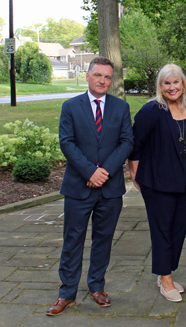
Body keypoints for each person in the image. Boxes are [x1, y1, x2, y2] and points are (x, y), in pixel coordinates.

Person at [47, 57, 133, 316]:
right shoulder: (71, 106)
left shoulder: (121, 107)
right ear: (87, 76)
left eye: (107, 77)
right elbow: (67, 142)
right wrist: (89, 172)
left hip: (110, 189)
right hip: (78, 188)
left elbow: (127, 142)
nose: (102, 81)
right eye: (97, 75)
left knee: (103, 240)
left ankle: (97, 285)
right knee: (72, 240)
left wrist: (103, 172)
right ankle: (66, 293)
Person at [128, 64, 186, 303]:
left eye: (176, 82)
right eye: (166, 83)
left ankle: (165, 274)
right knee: (162, 230)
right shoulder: (151, 110)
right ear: (160, 86)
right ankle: (165, 278)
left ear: (184, 84)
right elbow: (135, 145)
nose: (172, 87)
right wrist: (136, 176)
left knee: (178, 230)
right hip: (158, 183)